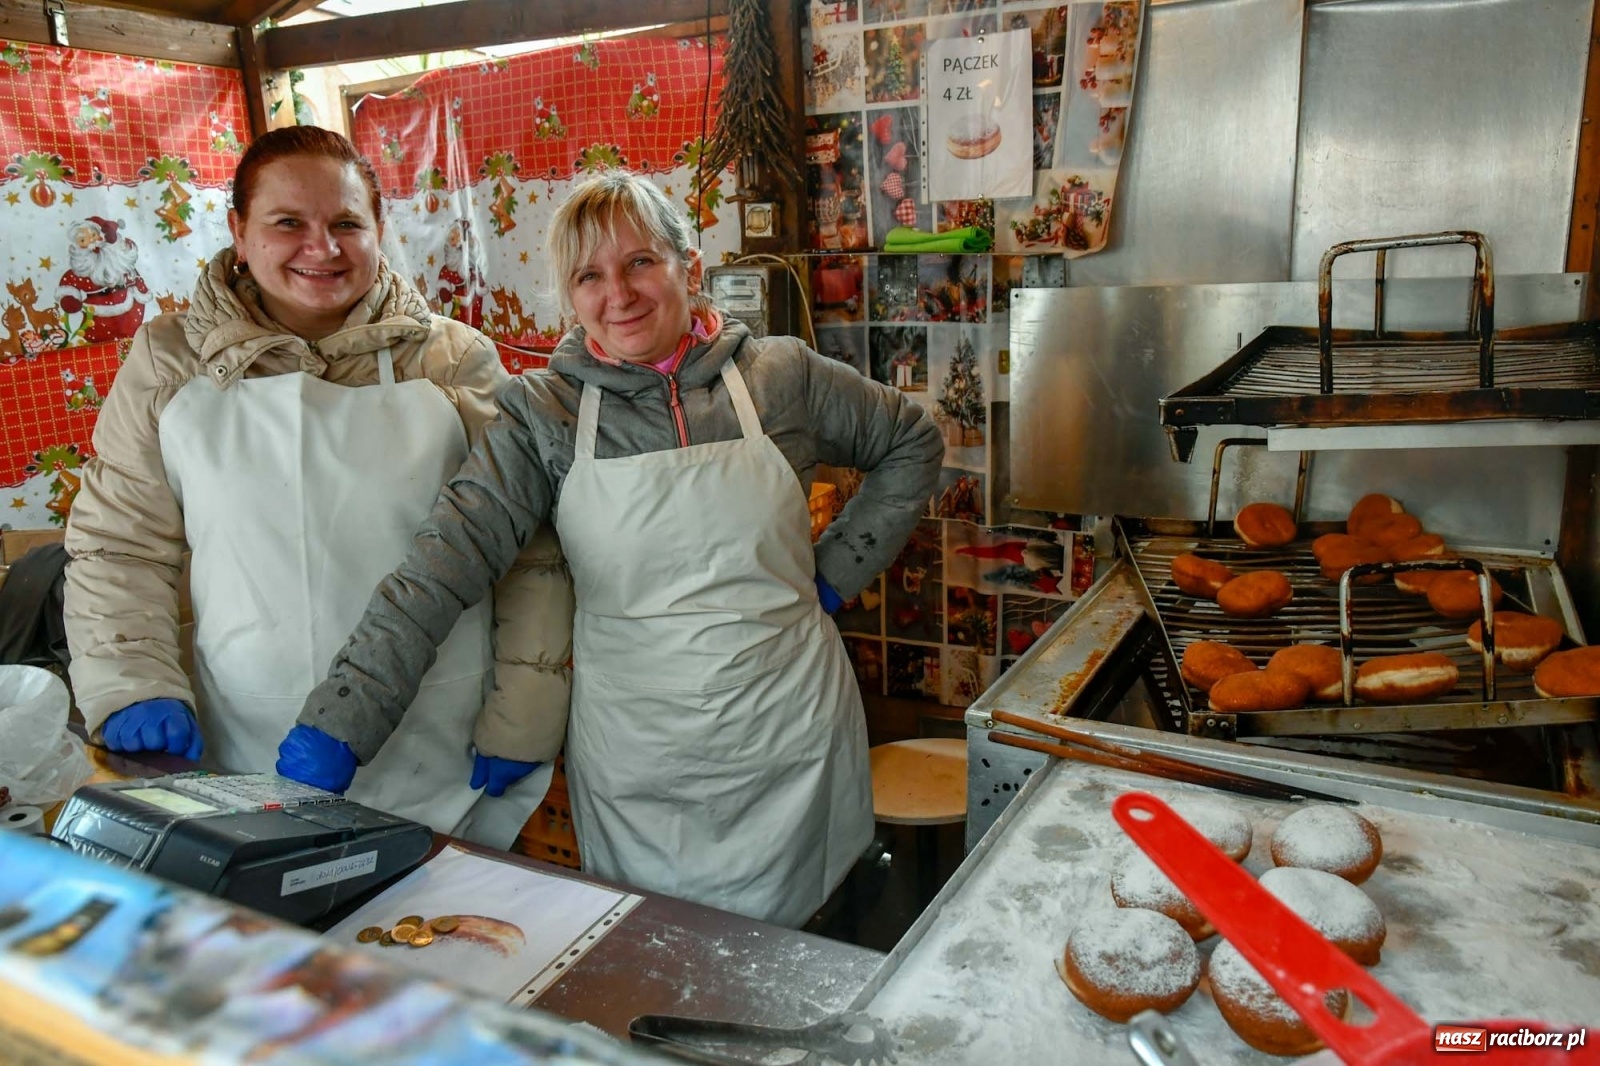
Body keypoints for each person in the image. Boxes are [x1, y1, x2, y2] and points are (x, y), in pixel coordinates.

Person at [286, 172, 943, 927]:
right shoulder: (544, 416)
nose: (618, 294)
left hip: (789, 734)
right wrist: (344, 717)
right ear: (571, 296)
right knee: (649, 966)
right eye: (589, 275)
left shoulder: (780, 378)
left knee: (811, 957)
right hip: (638, 757)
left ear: (688, 269)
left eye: (640, 263)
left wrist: (834, 574)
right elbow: (443, 565)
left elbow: (911, 440)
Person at [62, 126, 572, 848]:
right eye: (287, 224)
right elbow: (119, 545)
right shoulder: (169, 363)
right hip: (240, 745)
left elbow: (527, 549)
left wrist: (525, 707)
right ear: (238, 232)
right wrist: (132, 678)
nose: (321, 248)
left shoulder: (453, 361)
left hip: (439, 736)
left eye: (344, 224)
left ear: (378, 229)